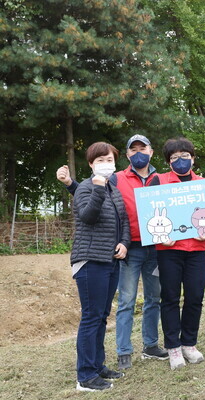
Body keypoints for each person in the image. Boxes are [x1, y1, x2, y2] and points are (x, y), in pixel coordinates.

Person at [57, 134, 168, 370]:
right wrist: (70, 184)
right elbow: (88, 199)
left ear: (151, 151)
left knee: (152, 299)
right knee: (124, 302)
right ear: (127, 155)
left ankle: (149, 346)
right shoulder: (115, 179)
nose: (138, 153)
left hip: (151, 248)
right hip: (118, 252)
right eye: (133, 149)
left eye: (143, 148)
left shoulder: (162, 178)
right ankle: (121, 353)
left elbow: (125, 217)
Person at [71, 142, 130, 391]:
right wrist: (96, 189)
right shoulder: (85, 188)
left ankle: (98, 365)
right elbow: (87, 217)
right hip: (90, 262)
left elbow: (123, 220)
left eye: (109, 160)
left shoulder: (113, 189)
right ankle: (85, 376)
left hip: (111, 260)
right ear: (91, 164)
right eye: (101, 160)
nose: (106, 164)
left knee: (102, 317)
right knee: (91, 317)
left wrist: (124, 243)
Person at [147, 137, 205, 370]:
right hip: (169, 251)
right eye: (174, 157)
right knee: (170, 298)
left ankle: (189, 344)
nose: (180, 160)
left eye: (185, 156)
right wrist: (159, 235)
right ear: (168, 161)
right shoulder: (158, 181)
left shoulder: (202, 183)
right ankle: (173, 347)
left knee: (195, 297)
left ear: (193, 158)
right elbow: (149, 215)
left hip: (196, 250)